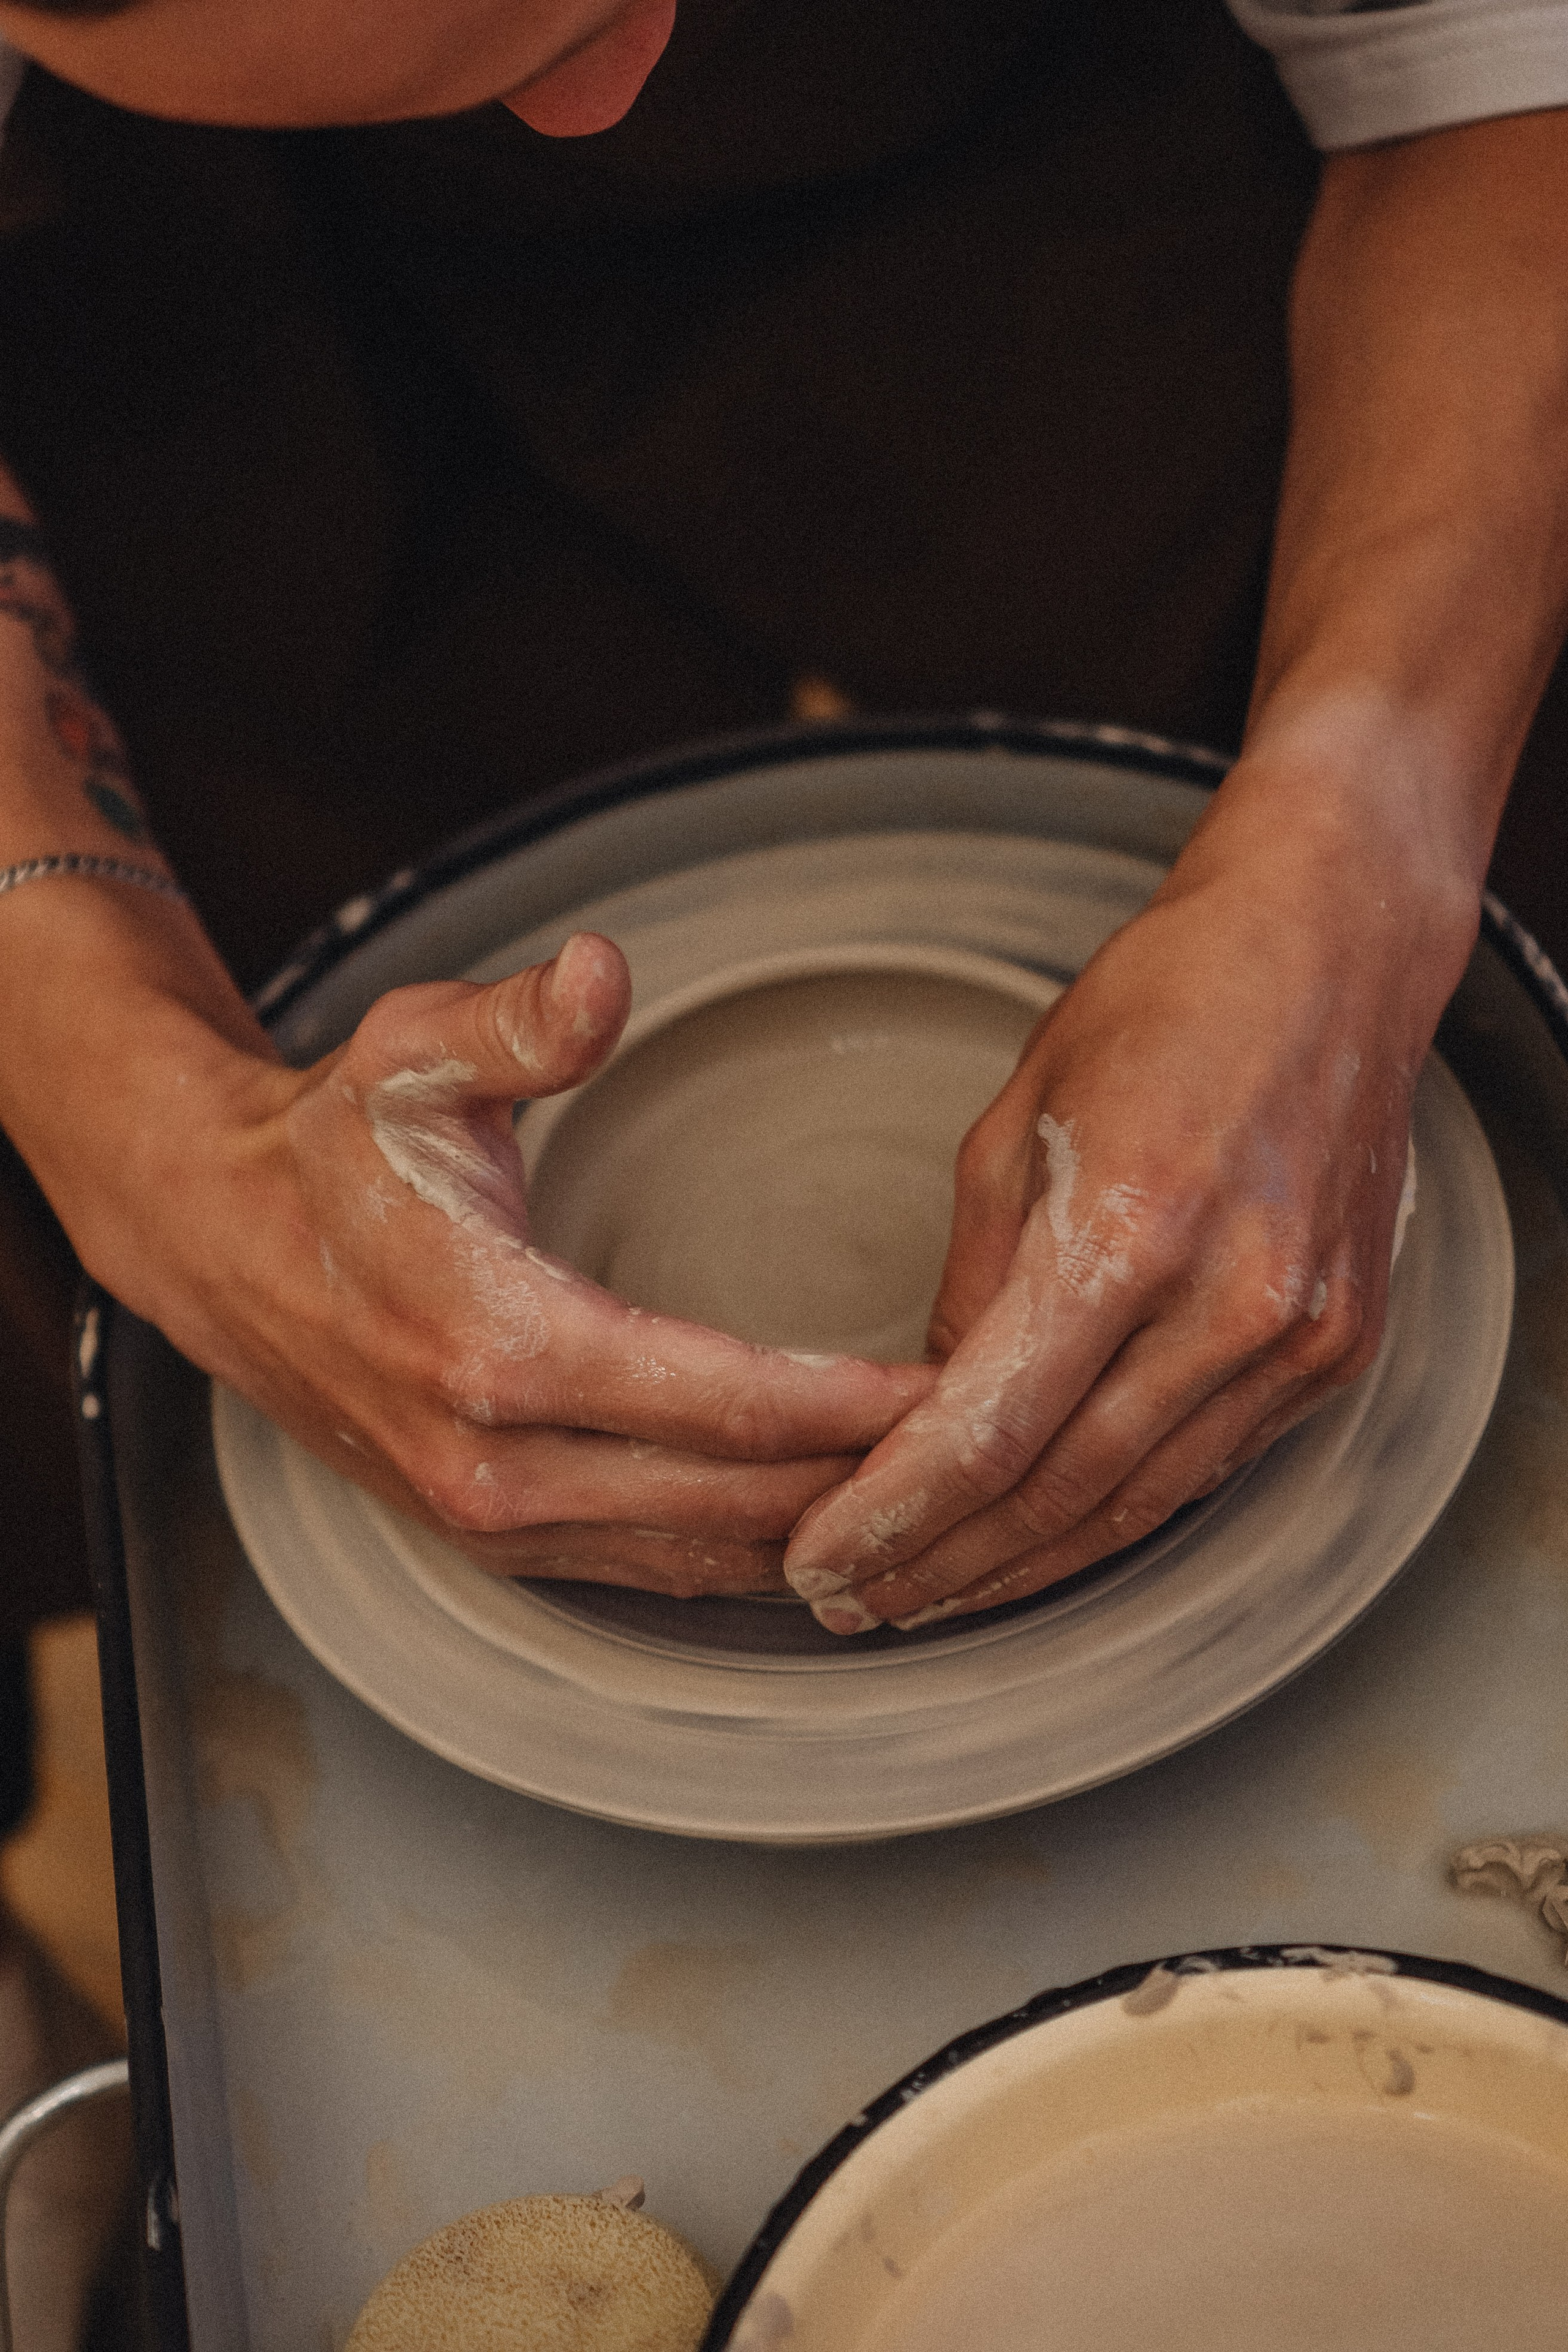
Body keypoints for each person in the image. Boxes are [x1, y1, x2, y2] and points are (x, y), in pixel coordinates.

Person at [0, 0, 1564, 1710]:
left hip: (1000, 114)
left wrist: (1361, 835)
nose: (611, 97)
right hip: (142, 273)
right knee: (286, 978)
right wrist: (159, 1144)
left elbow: (1483, 77)